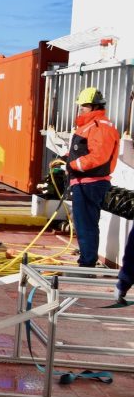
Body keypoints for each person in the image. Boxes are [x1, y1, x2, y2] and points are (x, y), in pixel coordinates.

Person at [67, 87, 120, 269]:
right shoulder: (90, 125)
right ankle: (86, 260)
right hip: (83, 183)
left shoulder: (100, 126)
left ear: (94, 106)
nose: (80, 109)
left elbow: (99, 156)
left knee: (87, 225)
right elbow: (83, 151)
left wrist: (73, 165)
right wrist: (66, 158)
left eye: (83, 106)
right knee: (82, 225)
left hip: (91, 184)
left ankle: (87, 265)